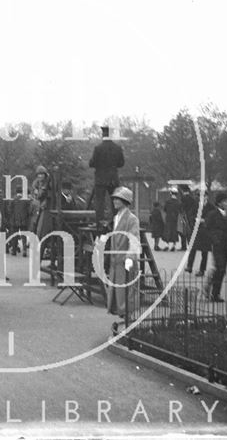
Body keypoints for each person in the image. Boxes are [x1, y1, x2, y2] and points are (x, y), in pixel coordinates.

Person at [106, 186, 140, 318]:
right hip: (116, 260)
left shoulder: (132, 219)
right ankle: (123, 317)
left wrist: (130, 257)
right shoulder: (116, 218)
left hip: (125, 260)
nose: (114, 201)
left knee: (127, 291)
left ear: (125, 201)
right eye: (114, 199)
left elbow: (134, 239)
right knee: (118, 291)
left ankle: (128, 318)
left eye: (117, 199)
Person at [204, 193, 227, 302]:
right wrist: (215, 239)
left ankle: (214, 291)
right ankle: (214, 292)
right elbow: (207, 229)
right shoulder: (212, 215)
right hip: (217, 245)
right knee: (220, 266)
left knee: (222, 270)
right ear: (219, 203)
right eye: (226, 201)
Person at [89, 126, 125, 224]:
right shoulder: (117, 148)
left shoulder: (98, 148)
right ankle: (115, 221)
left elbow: (92, 163)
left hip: (100, 179)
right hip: (113, 179)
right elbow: (121, 163)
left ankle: (99, 221)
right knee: (115, 201)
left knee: (100, 201)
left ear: (102, 134)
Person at [185, 192, 216, 276]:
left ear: (207, 197)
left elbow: (214, 217)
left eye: (204, 196)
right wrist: (194, 220)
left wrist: (205, 220)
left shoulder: (211, 207)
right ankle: (189, 266)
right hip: (196, 231)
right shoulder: (195, 205)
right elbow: (190, 215)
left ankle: (202, 270)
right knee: (192, 248)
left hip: (206, 232)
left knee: (204, 252)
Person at [8, 189, 31, 257]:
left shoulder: (13, 200)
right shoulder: (26, 200)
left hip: (15, 220)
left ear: (16, 192)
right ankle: (24, 250)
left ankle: (14, 251)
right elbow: (29, 210)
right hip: (24, 220)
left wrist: (12, 217)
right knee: (24, 236)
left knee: (15, 236)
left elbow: (9, 210)